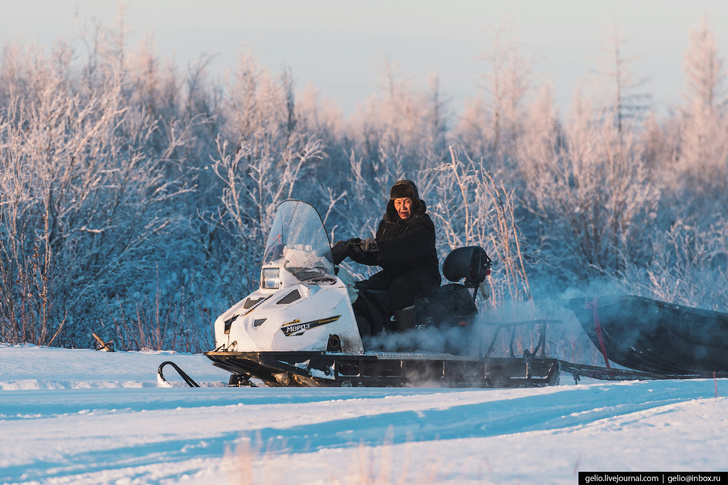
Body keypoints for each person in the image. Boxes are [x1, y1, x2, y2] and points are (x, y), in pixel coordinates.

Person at [333, 180, 441, 334]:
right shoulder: (387, 225)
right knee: (364, 289)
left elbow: (405, 247)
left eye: (407, 201)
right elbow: (379, 256)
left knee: (400, 287)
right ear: (393, 203)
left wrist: (378, 247)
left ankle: (408, 340)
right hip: (395, 273)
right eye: (398, 202)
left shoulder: (423, 224)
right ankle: (374, 334)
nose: (402, 207)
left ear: (414, 202)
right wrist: (352, 250)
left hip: (423, 274)